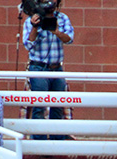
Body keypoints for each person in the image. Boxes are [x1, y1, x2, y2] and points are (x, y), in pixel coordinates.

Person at [21, 0, 74, 136]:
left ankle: (57, 142)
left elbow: (69, 39)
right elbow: (28, 45)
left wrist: (56, 31)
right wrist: (35, 27)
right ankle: (39, 142)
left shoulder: (62, 18)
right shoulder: (32, 20)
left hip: (57, 68)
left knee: (58, 105)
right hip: (38, 68)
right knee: (39, 106)